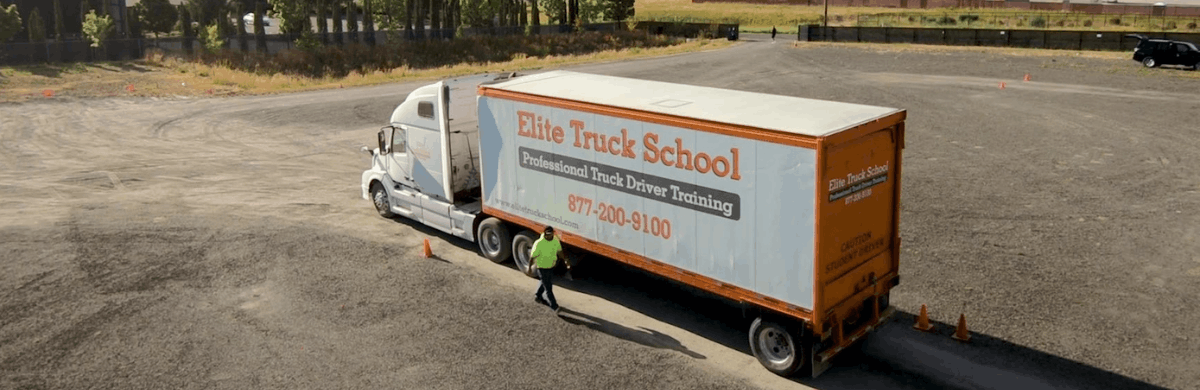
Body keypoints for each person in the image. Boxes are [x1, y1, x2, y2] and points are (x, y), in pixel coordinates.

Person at [532, 226, 569, 312]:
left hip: (551, 266)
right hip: (541, 267)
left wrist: (565, 260)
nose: (549, 236)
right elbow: (532, 256)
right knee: (548, 287)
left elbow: (559, 251)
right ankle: (554, 306)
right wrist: (530, 268)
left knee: (545, 281)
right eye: (547, 234)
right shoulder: (539, 243)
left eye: (550, 234)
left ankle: (538, 296)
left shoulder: (555, 240)